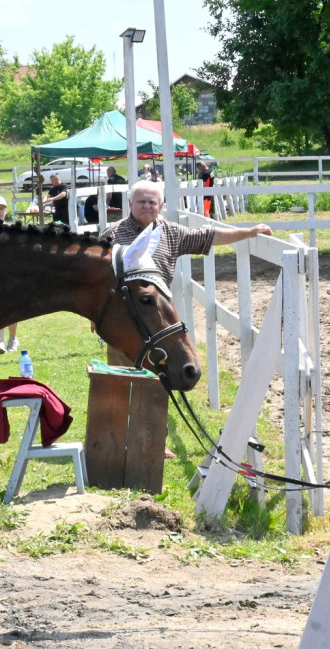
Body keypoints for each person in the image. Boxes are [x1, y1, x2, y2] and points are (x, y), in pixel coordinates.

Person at [98, 179, 273, 457]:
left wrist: (248, 232)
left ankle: (155, 440)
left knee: (159, 379)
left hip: (158, 323)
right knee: (122, 379)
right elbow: (96, 279)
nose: (147, 206)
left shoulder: (169, 233)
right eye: (141, 201)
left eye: (152, 201)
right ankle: (119, 438)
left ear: (161, 205)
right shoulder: (112, 234)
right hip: (123, 321)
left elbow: (209, 236)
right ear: (130, 204)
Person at [0, 195, 20, 355]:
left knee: (12, 309)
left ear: (6, 210)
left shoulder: (12, 231)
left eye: (1, 208)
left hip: (10, 274)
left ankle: (13, 339)